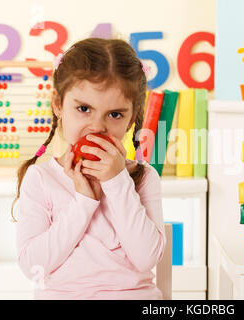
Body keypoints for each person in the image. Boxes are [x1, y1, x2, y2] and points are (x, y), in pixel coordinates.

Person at [10, 38, 165, 300]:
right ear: (58, 104)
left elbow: (146, 258)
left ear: (131, 119)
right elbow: (32, 266)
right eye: (84, 109)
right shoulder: (40, 179)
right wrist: (83, 201)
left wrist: (117, 182)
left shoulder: (143, 178)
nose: (97, 127)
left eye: (114, 114)